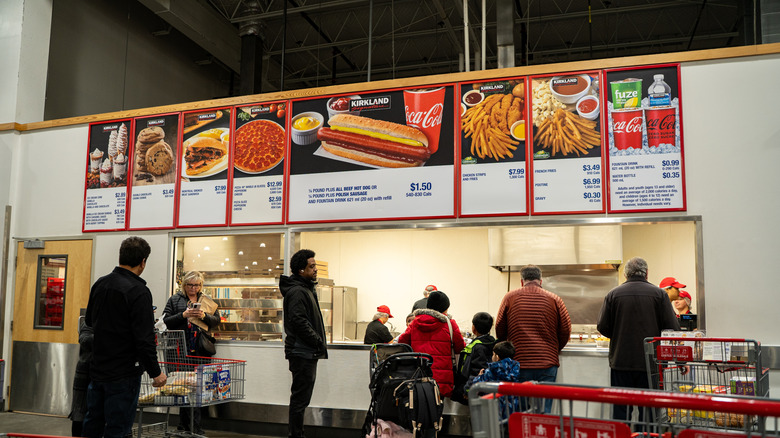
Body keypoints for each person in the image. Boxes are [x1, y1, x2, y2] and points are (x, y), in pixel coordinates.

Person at [82, 236, 167, 438]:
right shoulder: (139, 292)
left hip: (98, 370)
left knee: (93, 424)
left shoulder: (100, 284)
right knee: (118, 430)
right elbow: (144, 339)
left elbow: (89, 322)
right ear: (143, 262)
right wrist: (156, 373)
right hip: (123, 375)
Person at [597, 257, 680, 422]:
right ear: (647, 273)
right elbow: (672, 329)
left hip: (621, 362)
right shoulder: (660, 295)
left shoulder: (613, 294)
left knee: (621, 409)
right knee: (648, 410)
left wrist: (619, 335)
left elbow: (602, 326)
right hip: (651, 364)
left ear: (626, 274)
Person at [495, 264, 571, 413]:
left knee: (521, 410)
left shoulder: (510, 297)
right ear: (540, 281)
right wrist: (554, 349)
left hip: (519, 362)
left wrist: (508, 349)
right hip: (547, 363)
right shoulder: (555, 299)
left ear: (522, 281)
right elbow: (566, 330)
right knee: (544, 411)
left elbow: (499, 327)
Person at [163, 270, 220, 434]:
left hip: (200, 350)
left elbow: (216, 321)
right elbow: (165, 322)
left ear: (200, 285)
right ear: (184, 285)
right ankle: (184, 425)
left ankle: (195, 427)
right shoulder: (175, 300)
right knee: (183, 388)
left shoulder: (206, 301)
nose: (193, 288)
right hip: (181, 350)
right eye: (190, 285)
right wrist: (183, 315)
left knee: (198, 389)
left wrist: (203, 315)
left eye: (196, 285)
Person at [281, 249, 328, 438]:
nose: (316, 269)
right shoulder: (298, 291)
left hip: (305, 351)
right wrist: (317, 342)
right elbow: (299, 321)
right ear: (301, 270)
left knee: (301, 399)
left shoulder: (305, 288)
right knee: (300, 400)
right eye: (312, 266)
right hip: (302, 352)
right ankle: (296, 435)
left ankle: (297, 433)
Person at [398, 290, 465, 398]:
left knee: (420, 405)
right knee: (438, 404)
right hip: (442, 377)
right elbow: (460, 347)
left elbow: (402, 343)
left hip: (419, 373)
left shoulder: (415, 322)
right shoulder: (449, 323)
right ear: (445, 308)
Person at [466, 341, 521, 419]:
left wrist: (479, 376)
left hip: (493, 410)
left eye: (493, 354)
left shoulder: (492, 371)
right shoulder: (515, 369)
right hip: (511, 409)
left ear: (497, 357)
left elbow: (477, 386)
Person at [451, 311, 496, 404]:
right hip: (488, 388)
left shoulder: (477, 347)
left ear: (473, 328)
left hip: (475, 390)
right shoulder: (493, 343)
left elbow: (477, 371)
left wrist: (468, 390)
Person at [68, 315, 93, 437]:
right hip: (87, 372)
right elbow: (84, 338)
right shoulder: (92, 318)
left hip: (107, 375)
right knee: (80, 414)